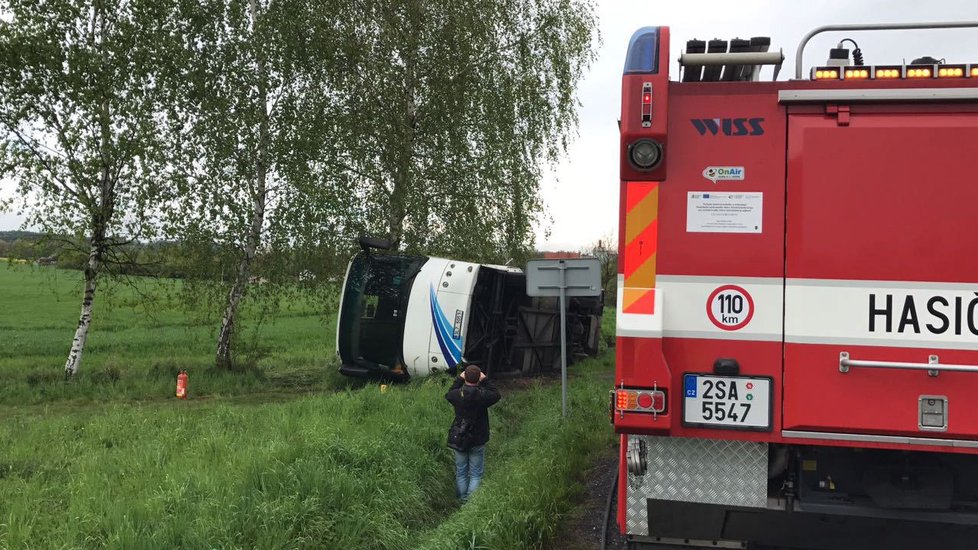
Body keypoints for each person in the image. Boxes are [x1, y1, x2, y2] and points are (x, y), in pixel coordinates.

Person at [445, 362, 501, 503]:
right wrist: (485, 379)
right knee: (476, 474)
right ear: (479, 378)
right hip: (478, 437)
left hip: (460, 437)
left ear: (465, 378)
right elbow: (496, 394)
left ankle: (461, 500)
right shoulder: (483, 396)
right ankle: (470, 503)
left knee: (461, 472)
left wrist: (459, 378)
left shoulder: (457, 395)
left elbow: (448, 393)